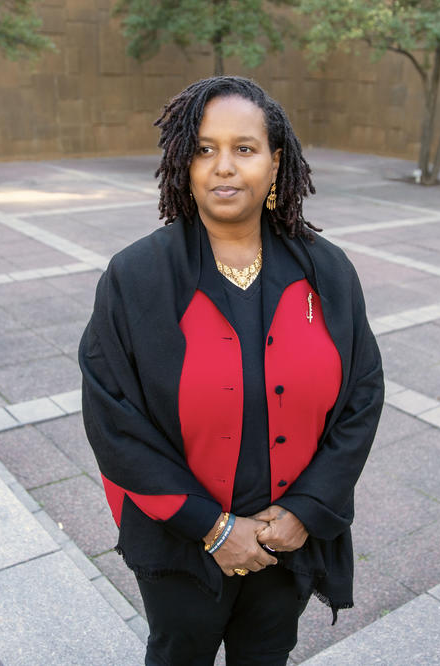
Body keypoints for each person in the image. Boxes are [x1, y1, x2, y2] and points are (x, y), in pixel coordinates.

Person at [79, 76, 384, 666]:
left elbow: (363, 396)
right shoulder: (135, 277)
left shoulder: (329, 271)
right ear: (183, 164)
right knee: (179, 653)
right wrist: (214, 528)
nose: (223, 166)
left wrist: (304, 511)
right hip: (182, 539)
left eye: (243, 148)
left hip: (286, 539)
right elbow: (113, 418)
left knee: (268, 654)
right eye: (203, 148)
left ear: (276, 163)